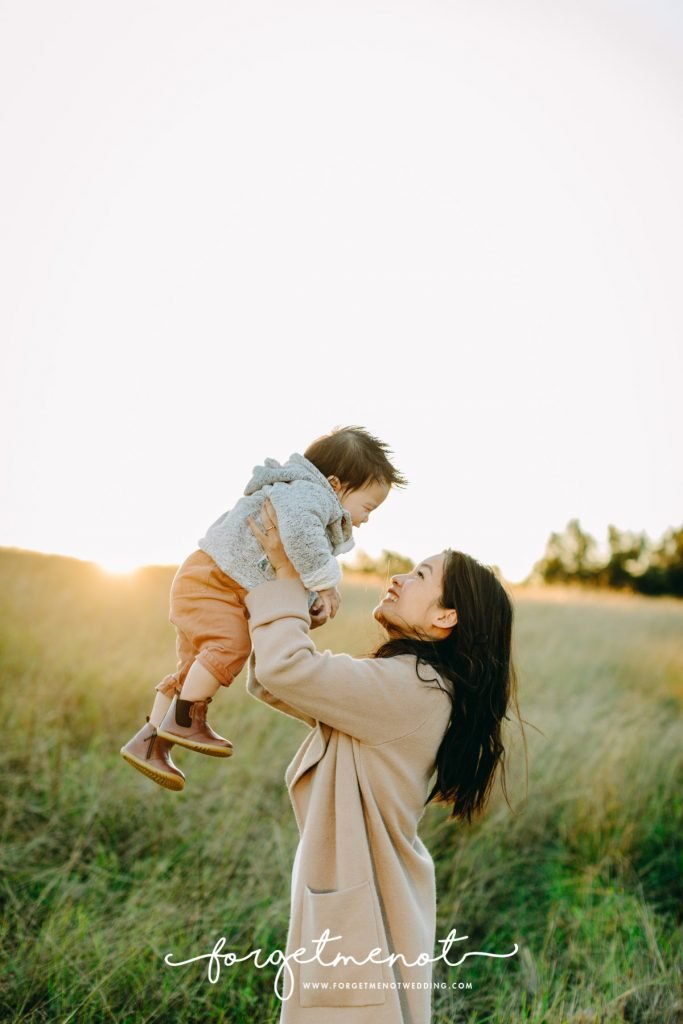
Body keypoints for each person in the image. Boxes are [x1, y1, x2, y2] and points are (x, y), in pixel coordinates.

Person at [244, 498, 520, 1023]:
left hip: (363, 912)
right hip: (366, 898)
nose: (397, 578)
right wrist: (294, 604)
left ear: (445, 616)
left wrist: (286, 574)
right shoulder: (420, 684)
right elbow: (274, 679)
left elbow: (282, 670)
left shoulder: (413, 687)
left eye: (420, 575)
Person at [120, 426, 405, 791]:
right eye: (368, 507)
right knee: (230, 646)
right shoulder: (307, 496)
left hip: (210, 580)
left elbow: (283, 563)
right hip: (214, 581)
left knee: (192, 667)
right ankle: (185, 720)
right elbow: (301, 539)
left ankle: (149, 745)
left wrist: (307, 604)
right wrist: (326, 584)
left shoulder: (299, 497)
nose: (366, 518)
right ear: (335, 485)